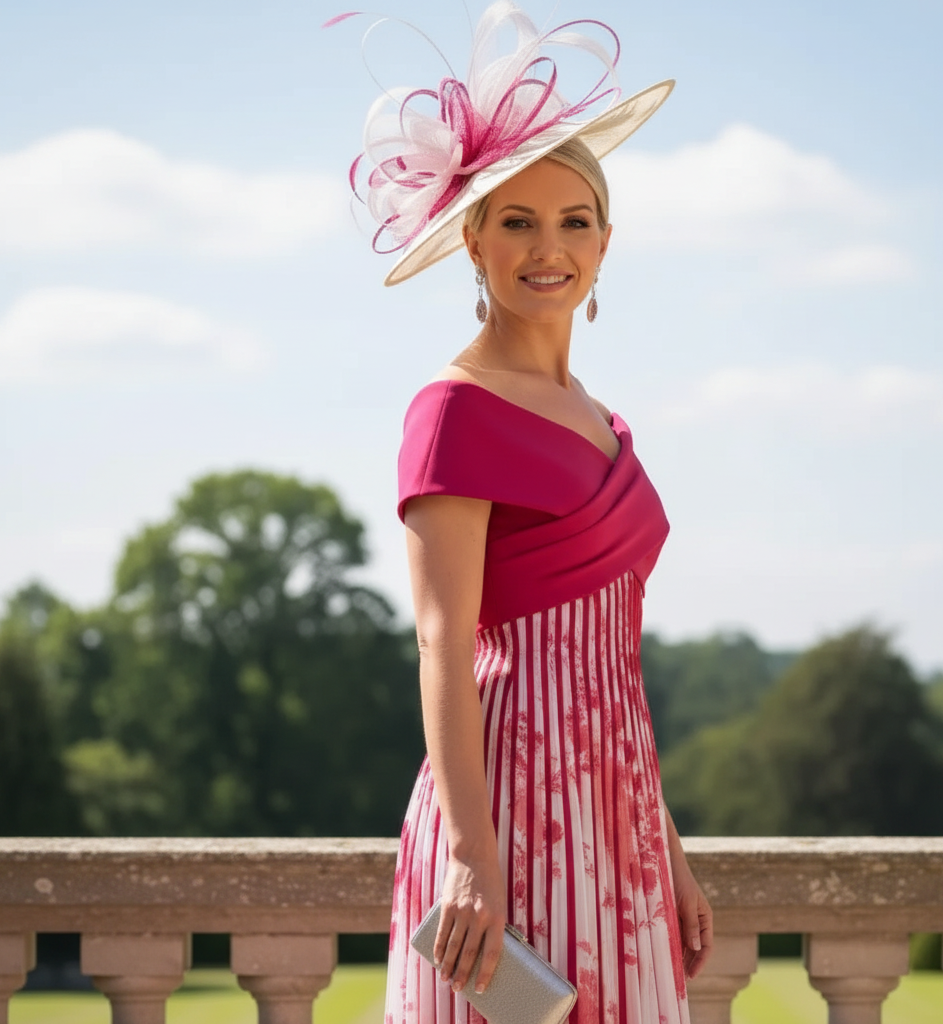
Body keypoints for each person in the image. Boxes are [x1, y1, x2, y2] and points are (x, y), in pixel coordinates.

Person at [341, 4, 713, 1020]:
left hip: (618, 811)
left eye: (573, 220)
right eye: (517, 220)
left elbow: (616, 671)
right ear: (472, 238)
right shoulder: (451, 410)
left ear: (604, 240)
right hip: (503, 805)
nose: (547, 247)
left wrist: (666, 845)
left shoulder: (607, 420)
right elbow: (440, 643)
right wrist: (470, 854)